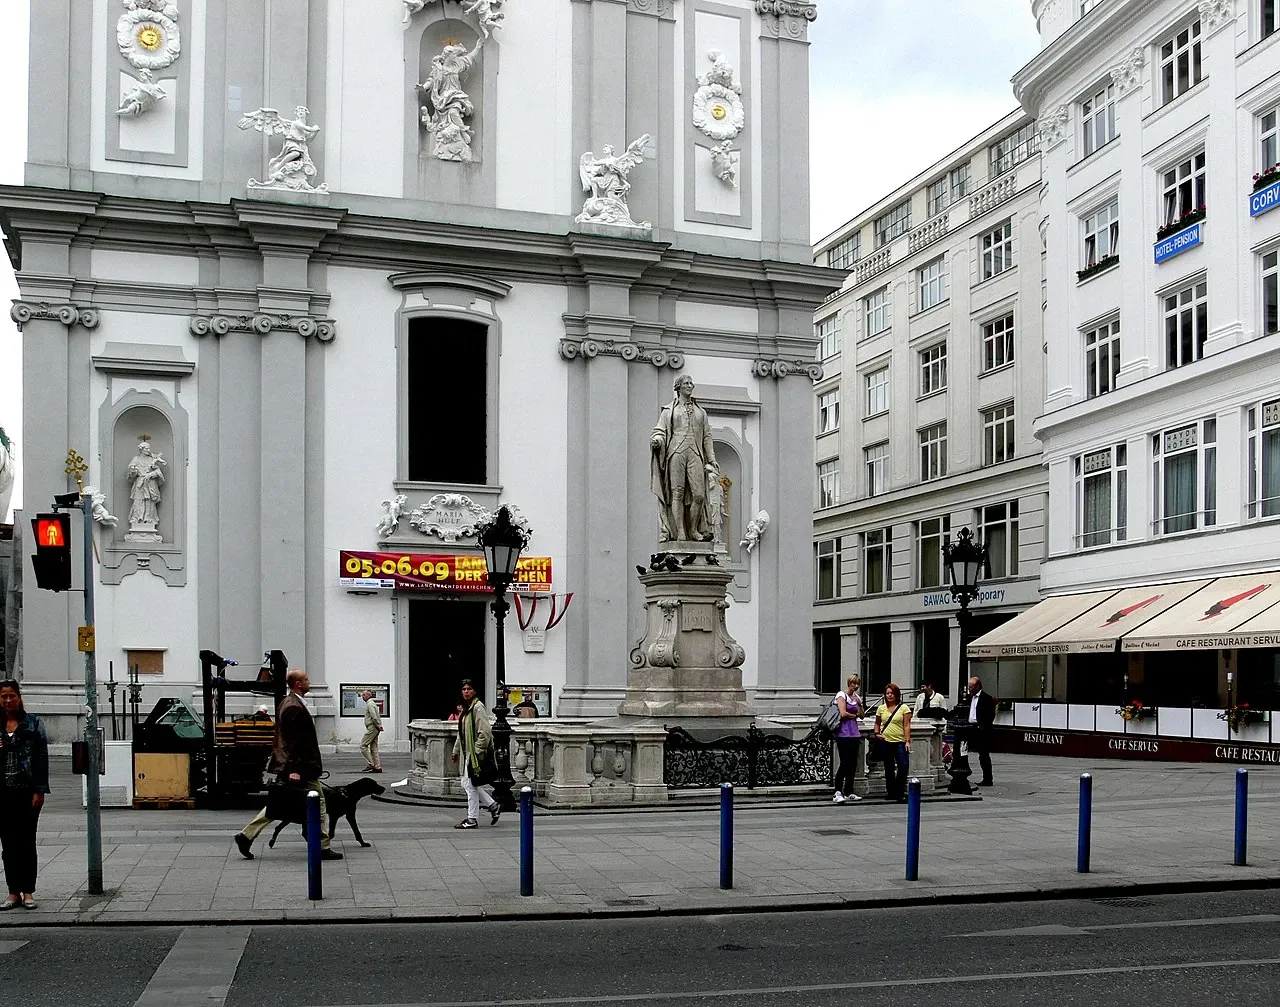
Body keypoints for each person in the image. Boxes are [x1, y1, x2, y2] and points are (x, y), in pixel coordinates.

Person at [235, 669, 343, 860]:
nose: (309, 682)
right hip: (300, 767)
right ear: (298, 684)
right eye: (306, 679)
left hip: (296, 765)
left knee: (279, 802)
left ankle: (246, 835)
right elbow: (293, 741)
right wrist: (294, 769)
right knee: (320, 803)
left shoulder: (291, 702)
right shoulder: (293, 706)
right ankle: (322, 846)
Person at [0, 680, 48, 910]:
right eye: (3, 697)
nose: (8, 700)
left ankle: (28, 891)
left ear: (19, 697)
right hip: (2, 793)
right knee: (7, 845)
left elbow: (41, 759)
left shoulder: (32, 723)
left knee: (26, 842)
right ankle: (12, 892)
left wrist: (39, 789)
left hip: (26, 792)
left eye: (11, 696)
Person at [450, 679, 500, 829]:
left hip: (474, 754)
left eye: (469, 689)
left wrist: (477, 751)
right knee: (467, 783)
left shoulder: (478, 707)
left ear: (475, 691)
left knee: (470, 785)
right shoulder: (467, 709)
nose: (466, 691)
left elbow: (484, 733)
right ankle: (492, 805)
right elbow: (462, 733)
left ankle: (472, 819)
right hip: (468, 754)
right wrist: (456, 750)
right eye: (464, 689)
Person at [873, 683, 912, 803]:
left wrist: (907, 741)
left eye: (892, 693)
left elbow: (906, 725)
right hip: (886, 741)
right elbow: (877, 723)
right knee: (888, 768)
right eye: (887, 693)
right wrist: (876, 733)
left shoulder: (904, 708)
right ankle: (891, 792)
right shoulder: (881, 708)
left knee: (903, 766)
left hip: (900, 741)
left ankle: (900, 791)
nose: (890, 695)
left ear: (896, 694)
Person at [831, 675, 864, 805]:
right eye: (853, 683)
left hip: (854, 733)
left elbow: (862, 715)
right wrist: (854, 715)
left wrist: (859, 705)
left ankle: (849, 790)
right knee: (844, 763)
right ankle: (837, 791)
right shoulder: (841, 695)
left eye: (857, 684)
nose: (855, 686)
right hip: (843, 733)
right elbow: (843, 713)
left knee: (853, 763)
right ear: (849, 683)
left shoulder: (856, 698)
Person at [967, 675, 996, 787]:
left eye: (971, 687)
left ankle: (988, 778)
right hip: (970, 728)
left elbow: (990, 715)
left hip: (981, 729)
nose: (969, 689)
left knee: (983, 755)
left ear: (978, 686)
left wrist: (982, 726)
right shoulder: (969, 698)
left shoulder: (986, 698)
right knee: (962, 751)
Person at [360, 690, 384, 774]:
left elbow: (373, 716)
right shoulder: (372, 703)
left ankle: (371, 764)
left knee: (363, 745)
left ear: (368, 695)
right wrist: (379, 725)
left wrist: (378, 725)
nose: (362, 696)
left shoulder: (370, 704)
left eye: (363, 695)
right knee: (374, 747)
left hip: (372, 727)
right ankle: (377, 766)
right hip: (375, 728)